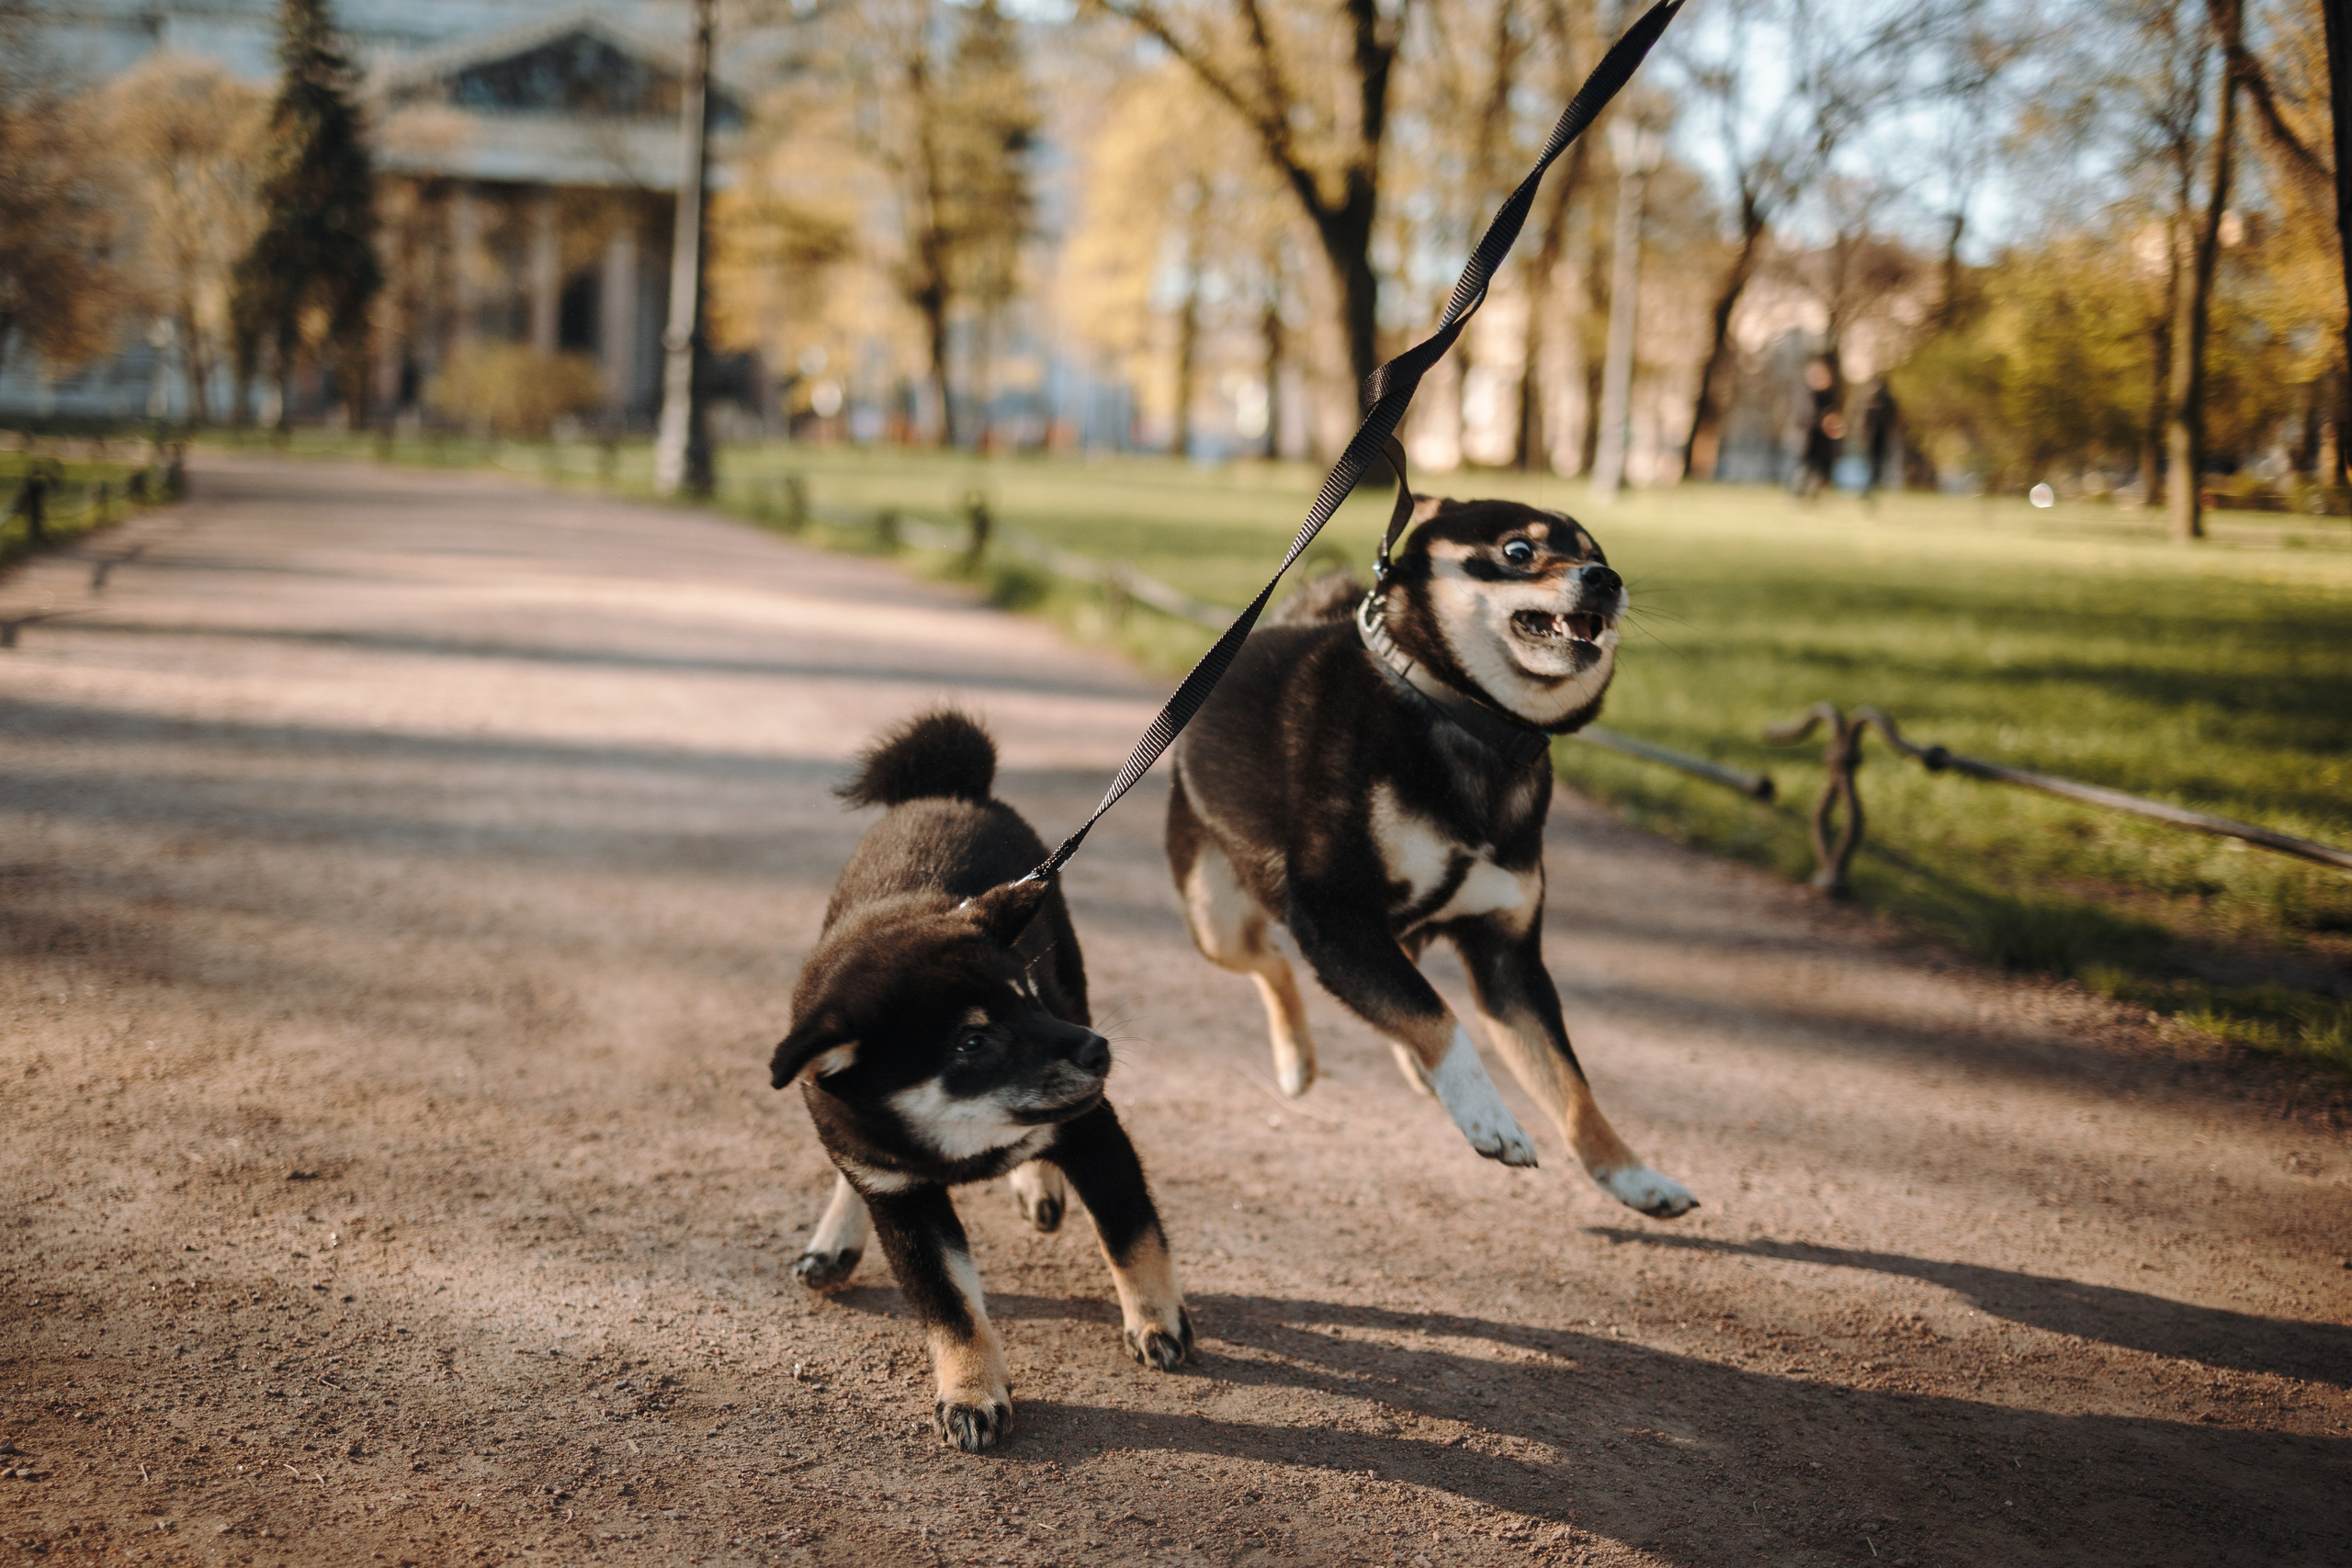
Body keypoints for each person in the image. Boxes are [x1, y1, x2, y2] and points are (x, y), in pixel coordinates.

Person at [1860, 379, 1899, 503]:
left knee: (1876, 464)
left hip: (1879, 438)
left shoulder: (1875, 400)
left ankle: (1872, 486)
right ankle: (1871, 486)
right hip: (1878, 438)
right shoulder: (1887, 401)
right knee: (1875, 464)